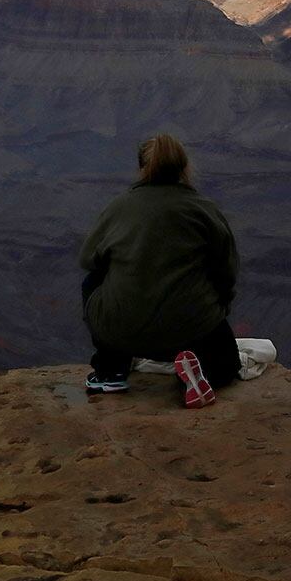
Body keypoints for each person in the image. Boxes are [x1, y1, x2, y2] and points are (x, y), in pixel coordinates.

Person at [79, 133, 240, 408]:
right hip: (190, 330)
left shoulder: (120, 207)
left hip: (122, 331)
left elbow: (88, 259)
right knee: (228, 365)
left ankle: (110, 370)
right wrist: (218, 307)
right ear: (184, 167)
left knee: (92, 280)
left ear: (142, 168)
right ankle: (195, 375)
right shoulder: (203, 209)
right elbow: (226, 271)